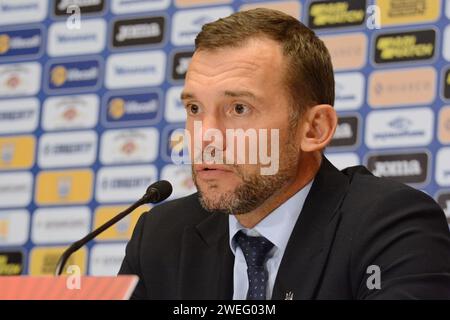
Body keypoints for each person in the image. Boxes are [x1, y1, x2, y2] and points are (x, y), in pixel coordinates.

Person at [119, 8, 450, 299]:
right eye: (194, 108)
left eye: (238, 108)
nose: (205, 137)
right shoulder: (160, 237)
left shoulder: (390, 225)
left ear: (314, 129)